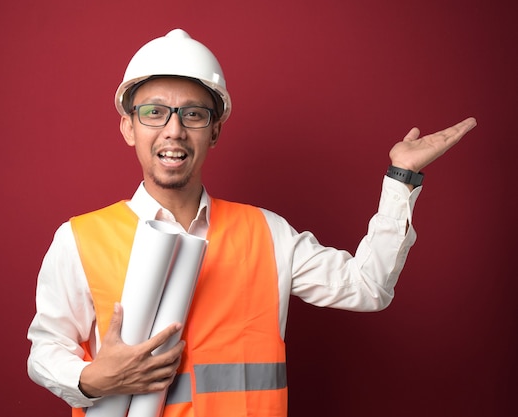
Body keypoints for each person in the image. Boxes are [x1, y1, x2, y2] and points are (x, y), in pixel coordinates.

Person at [27, 28, 477, 416]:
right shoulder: (80, 239)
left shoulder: (266, 233)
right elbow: (45, 350)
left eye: (194, 114)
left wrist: (401, 179)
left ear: (215, 130)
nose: (174, 130)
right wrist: (91, 378)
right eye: (153, 112)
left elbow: (368, 288)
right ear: (129, 127)